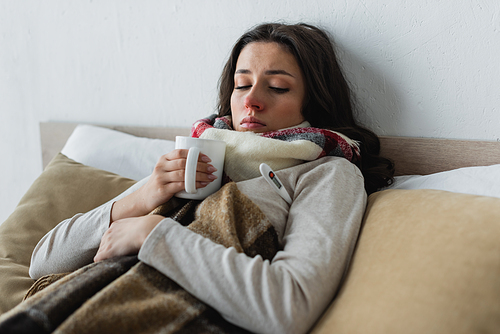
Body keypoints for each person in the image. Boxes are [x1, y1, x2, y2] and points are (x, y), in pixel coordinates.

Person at [29, 23, 394, 334]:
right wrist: (142, 198)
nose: (252, 101)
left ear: (312, 102)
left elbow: (289, 307)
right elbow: (43, 262)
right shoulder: (202, 156)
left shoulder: (327, 172)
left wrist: (152, 235)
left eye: (278, 87)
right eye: (241, 84)